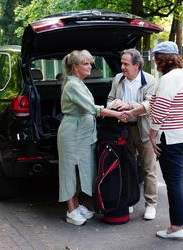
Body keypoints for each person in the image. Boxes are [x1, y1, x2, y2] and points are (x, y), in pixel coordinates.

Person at [121, 41, 183, 240]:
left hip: (171, 137)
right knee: (181, 179)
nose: (154, 62)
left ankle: (175, 227)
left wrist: (152, 135)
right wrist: (132, 111)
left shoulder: (168, 79)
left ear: (163, 59)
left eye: (155, 58)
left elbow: (160, 109)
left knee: (173, 182)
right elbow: (153, 103)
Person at [57, 50, 122, 226]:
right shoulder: (72, 85)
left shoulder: (79, 83)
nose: (90, 66)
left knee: (82, 170)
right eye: (86, 63)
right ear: (75, 66)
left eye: (90, 63)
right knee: (69, 172)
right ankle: (71, 210)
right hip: (72, 135)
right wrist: (118, 115)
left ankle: (77, 205)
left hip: (83, 135)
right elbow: (93, 109)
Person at [107, 48, 158, 220]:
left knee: (148, 168)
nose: (122, 67)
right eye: (121, 63)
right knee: (127, 167)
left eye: (125, 64)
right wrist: (115, 104)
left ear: (137, 65)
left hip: (143, 129)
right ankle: (128, 201)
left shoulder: (150, 80)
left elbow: (149, 105)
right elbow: (109, 99)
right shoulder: (118, 79)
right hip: (123, 130)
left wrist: (128, 105)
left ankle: (151, 204)